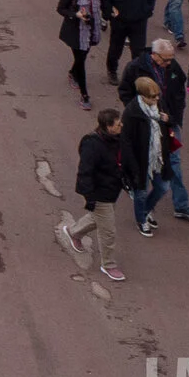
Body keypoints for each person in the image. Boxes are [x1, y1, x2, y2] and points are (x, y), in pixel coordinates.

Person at [118, 44, 189, 224]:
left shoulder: (171, 66)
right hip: (144, 126)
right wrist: (137, 113)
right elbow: (124, 91)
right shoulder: (135, 67)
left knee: (174, 163)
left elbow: (180, 85)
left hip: (167, 122)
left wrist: (174, 114)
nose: (170, 62)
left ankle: (181, 205)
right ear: (155, 56)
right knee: (145, 165)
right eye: (166, 59)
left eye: (171, 58)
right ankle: (143, 209)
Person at [61, 107, 128, 282]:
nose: (122, 125)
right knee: (109, 231)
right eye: (118, 123)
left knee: (96, 218)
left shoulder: (116, 138)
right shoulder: (92, 144)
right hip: (100, 194)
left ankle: (74, 232)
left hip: (112, 189)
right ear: (108, 126)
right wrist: (89, 197)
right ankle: (109, 265)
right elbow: (85, 172)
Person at [58, 0, 102, 101]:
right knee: (81, 60)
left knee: (82, 56)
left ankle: (72, 72)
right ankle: (84, 95)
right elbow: (60, 9)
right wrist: (75, 15)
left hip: (91, 28)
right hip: (76, 31)